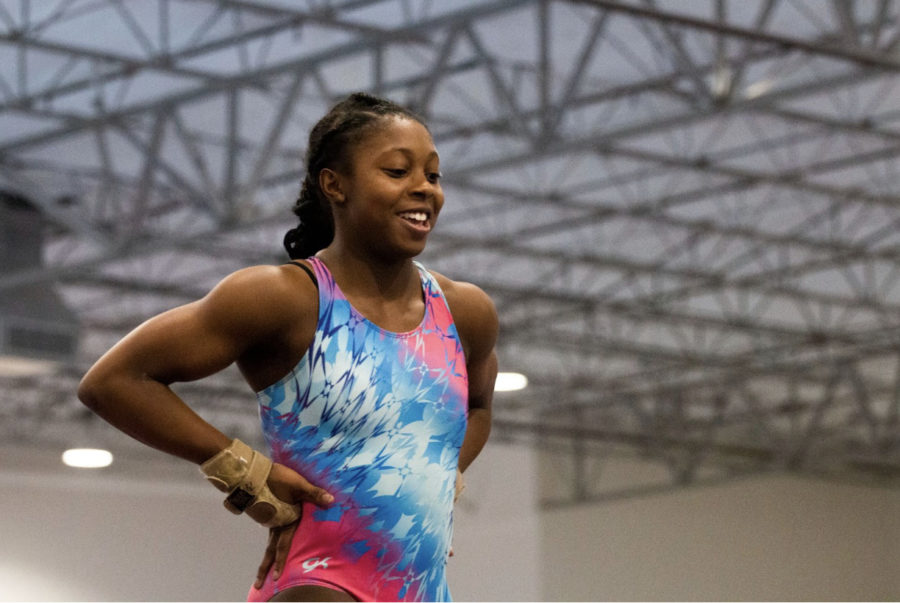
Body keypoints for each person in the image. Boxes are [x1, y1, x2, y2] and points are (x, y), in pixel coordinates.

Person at [77, 92, 498, 602]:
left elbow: (476, 407)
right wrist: (244, 474)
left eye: (432, 176)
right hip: (320, 585)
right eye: (396, 171)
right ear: (334, 184)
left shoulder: (464, 311)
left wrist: (437, 478)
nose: (423, 190)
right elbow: (113, 381)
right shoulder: (284, 299)